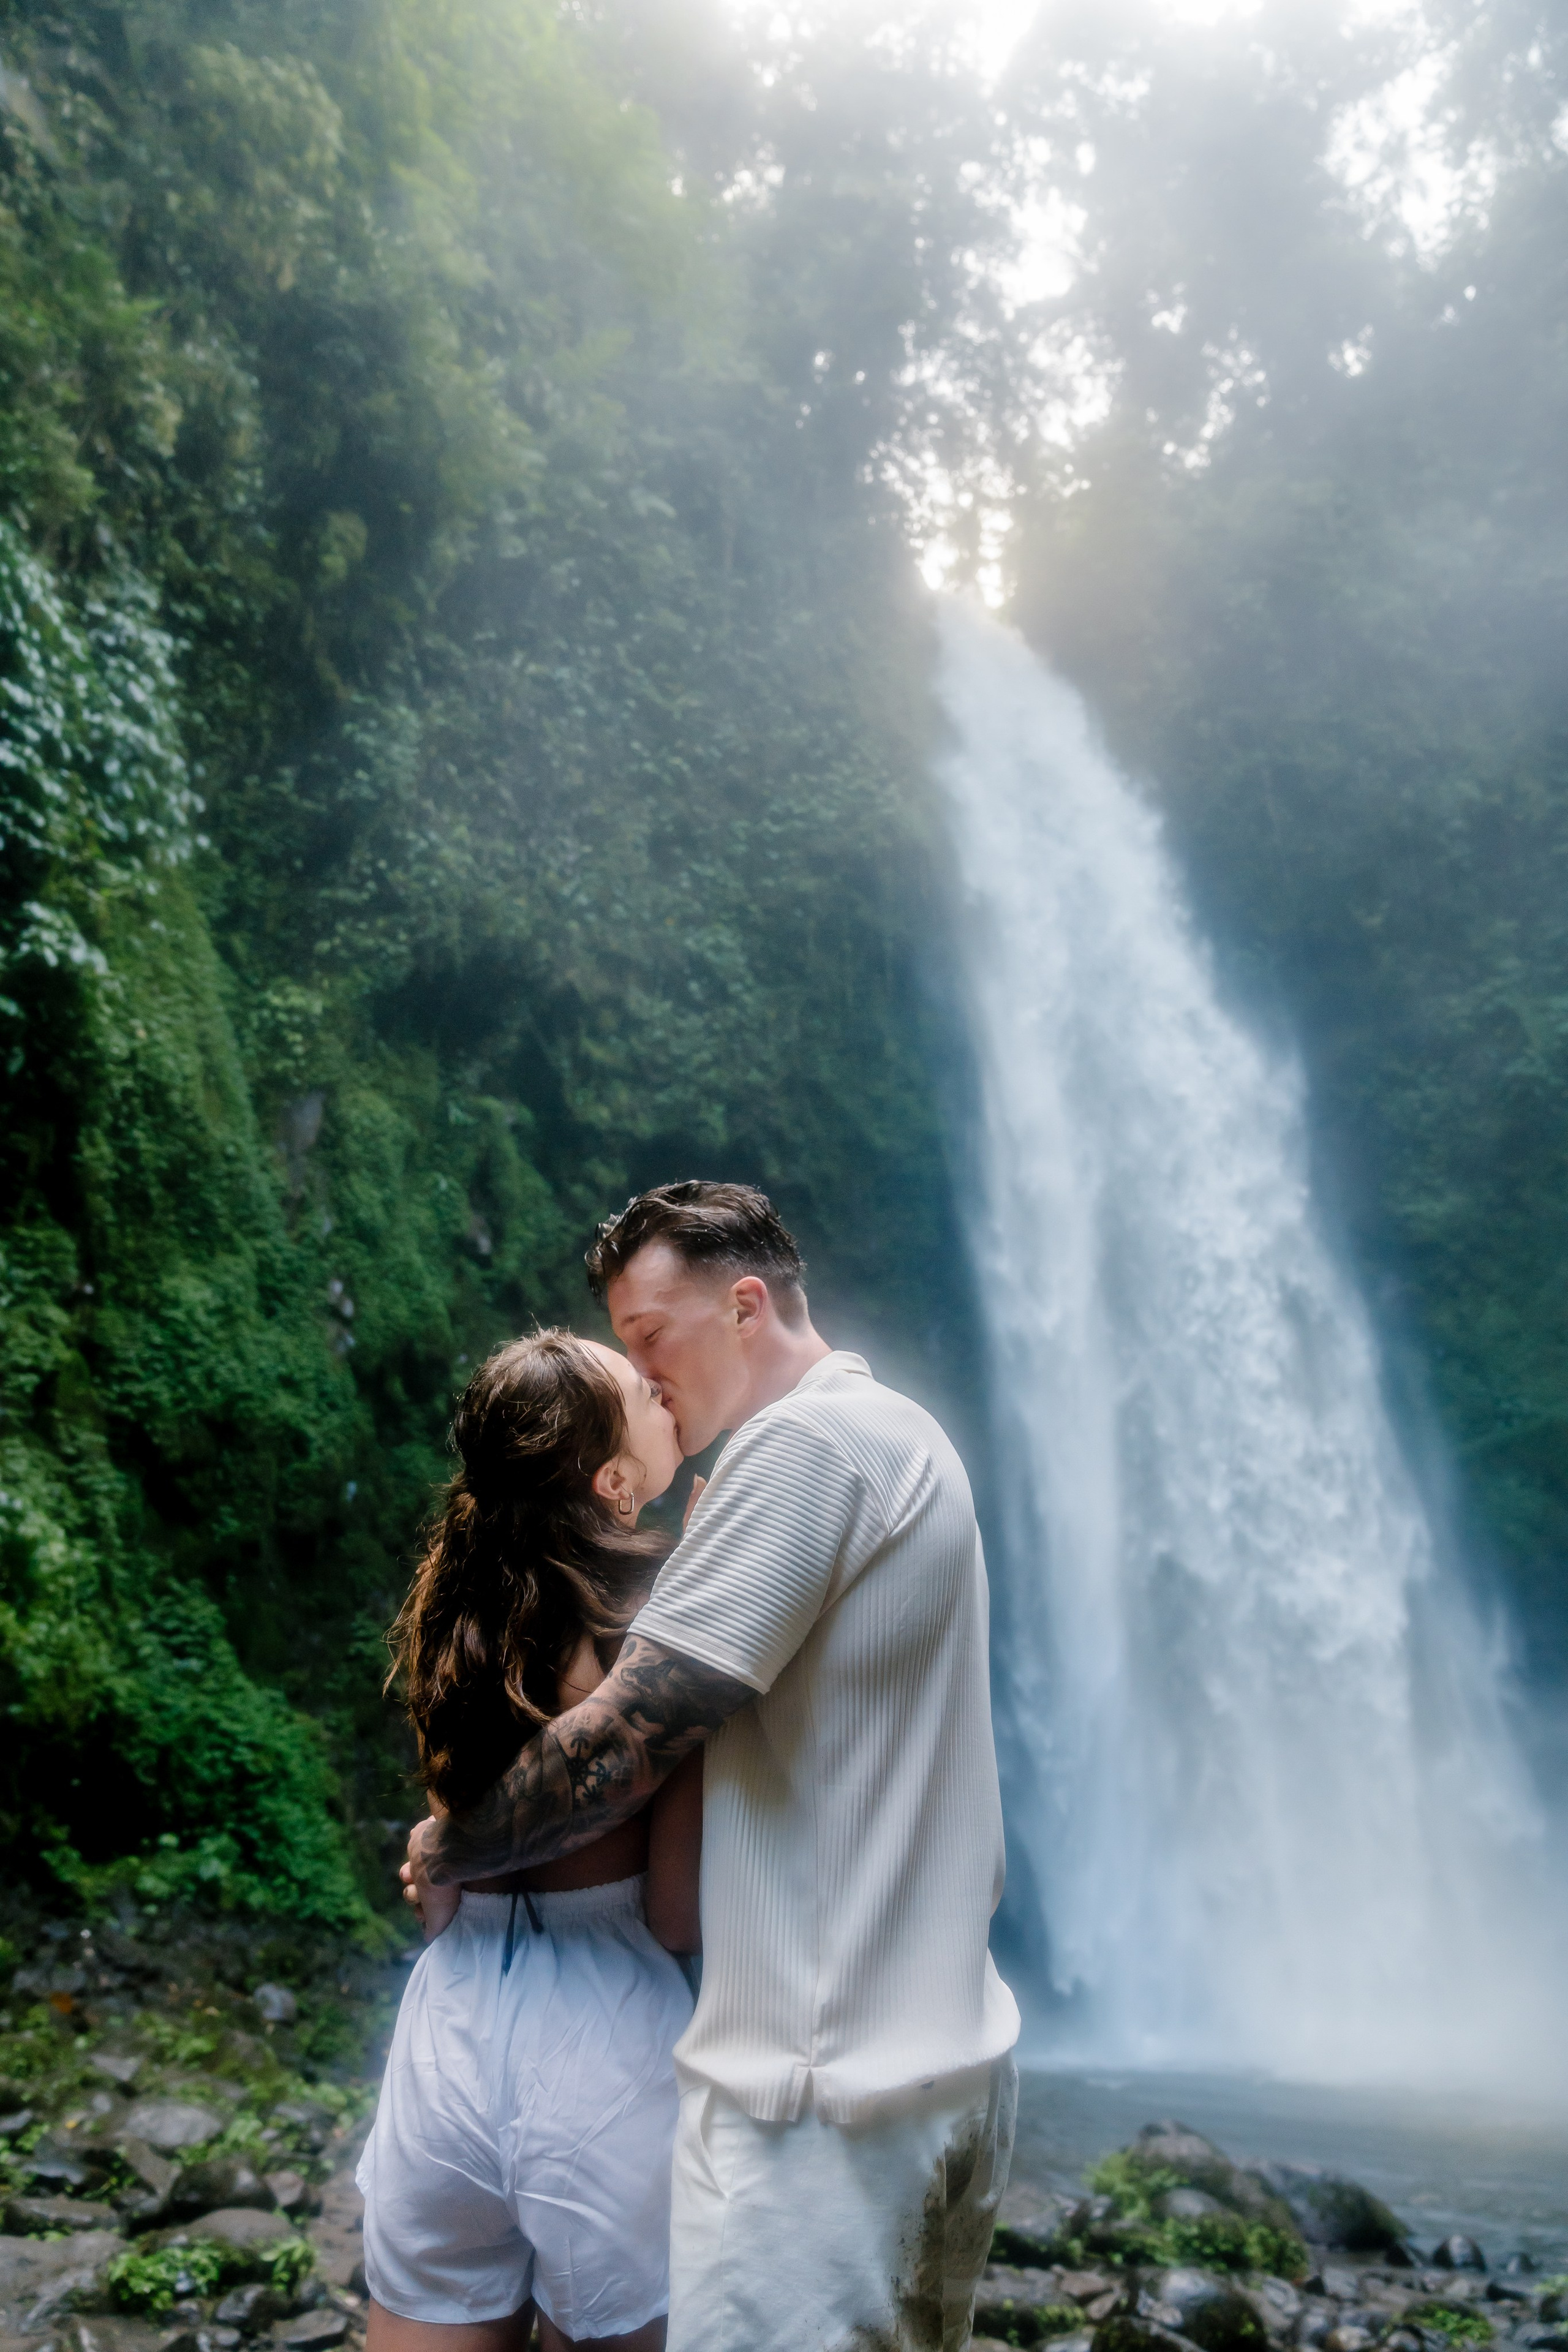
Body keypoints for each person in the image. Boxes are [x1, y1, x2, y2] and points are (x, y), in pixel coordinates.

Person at [405, 1180, 1020, 2352]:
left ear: (747, 1306)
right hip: (936, 2071)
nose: (647, 1380)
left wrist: (451, 1842)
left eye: (649, 1341)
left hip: (821, 2104)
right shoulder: (899, 1434)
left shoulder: (808, 1446)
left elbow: (624, 1745)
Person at [362, 1330, 704, 2352]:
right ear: (613, 1481)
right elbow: (674, 1907)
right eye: (643, 1393)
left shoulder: (453, 1615)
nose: (662, 1389)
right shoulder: (660, 1621)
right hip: (603, 2039)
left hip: (449, 2029)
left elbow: (439, 1887)